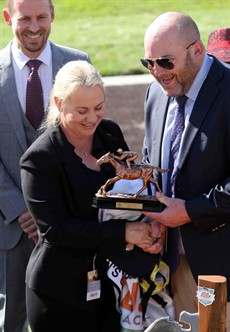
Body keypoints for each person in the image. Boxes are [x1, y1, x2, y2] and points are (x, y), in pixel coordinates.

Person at [20, 60, 164, 332]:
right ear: (59, 104)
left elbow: (128, 192)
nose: (92, 118)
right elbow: (56, 230)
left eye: (98, 107)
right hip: (59, 293)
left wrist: (148, 223)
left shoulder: (109, 133)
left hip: (111, 286)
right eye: (82, 110)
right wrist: (123, 232)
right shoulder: (39, 159)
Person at [0, 0, 91, 330]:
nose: (34, 26)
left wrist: (49, 210)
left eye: (41, 16)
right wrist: (21, 208)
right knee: (9, 319)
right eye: (25, 18)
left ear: (52, 15)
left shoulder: (79, 63)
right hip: (10, 227)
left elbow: (89, 137)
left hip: (65, 223)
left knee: (68, 315)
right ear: (8, 17)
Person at [139, 11, 230, 330]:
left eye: (165, 61)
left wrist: (190, 210)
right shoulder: (155, 93)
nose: (156, 72)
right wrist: (151, 212)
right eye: (147, 63)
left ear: (197, 51)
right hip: (171, 259)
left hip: (221, 261)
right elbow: (150, 158)